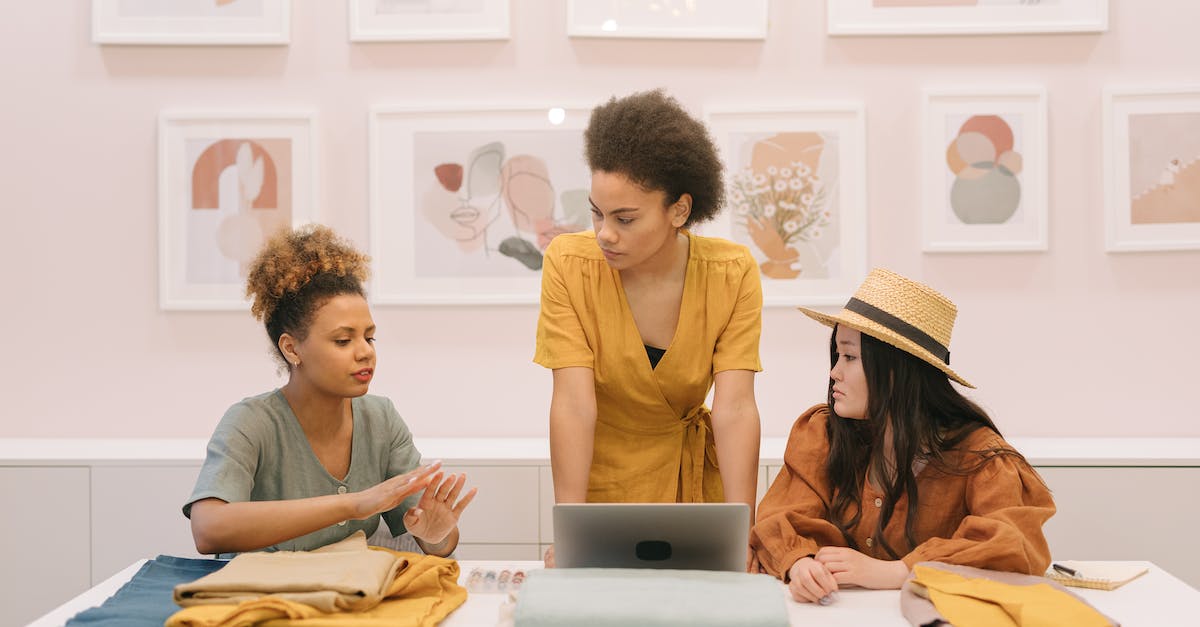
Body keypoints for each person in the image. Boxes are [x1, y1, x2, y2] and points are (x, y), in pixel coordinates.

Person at [534, 90, 764, 563]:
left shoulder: (732, 272)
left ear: (679, 211)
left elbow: (736, 410)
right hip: (601, 489)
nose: (605, 234)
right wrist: (571, 530)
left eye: (625, 218)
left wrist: (742, 533)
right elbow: (574, 405)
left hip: (696, 490)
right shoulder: (570, 263)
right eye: (596, 212)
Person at [750, 268, 1055, 604]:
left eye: (849, 357)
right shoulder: (823, 435)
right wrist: (799, 563)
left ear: (896, 372)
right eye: (838, 356)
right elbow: (782, 518)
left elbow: (1016, 546)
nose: (834, 372)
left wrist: (898, 571)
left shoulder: (981, 458)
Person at [184, 225, 476, 557]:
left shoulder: (381, 418)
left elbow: (430, 536)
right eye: (342, 340)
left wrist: (437, 534)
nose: (365, 351)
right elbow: (208, 529)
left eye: (369, 337)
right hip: (263, 601)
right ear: (292, 349)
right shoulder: (250, 422)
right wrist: (353, 504)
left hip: (347, 599)